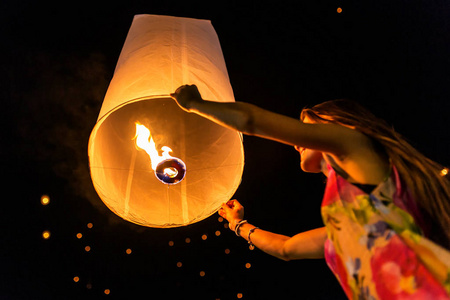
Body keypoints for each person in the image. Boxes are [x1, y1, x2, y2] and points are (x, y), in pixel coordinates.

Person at [170, 84, 450, 299]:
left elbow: (251, 121)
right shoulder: (352, 227)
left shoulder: (355, 143)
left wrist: (195, 103)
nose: (295, 141)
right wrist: (237, 225)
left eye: (304, 129)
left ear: (339, 124)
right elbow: (286, 248)